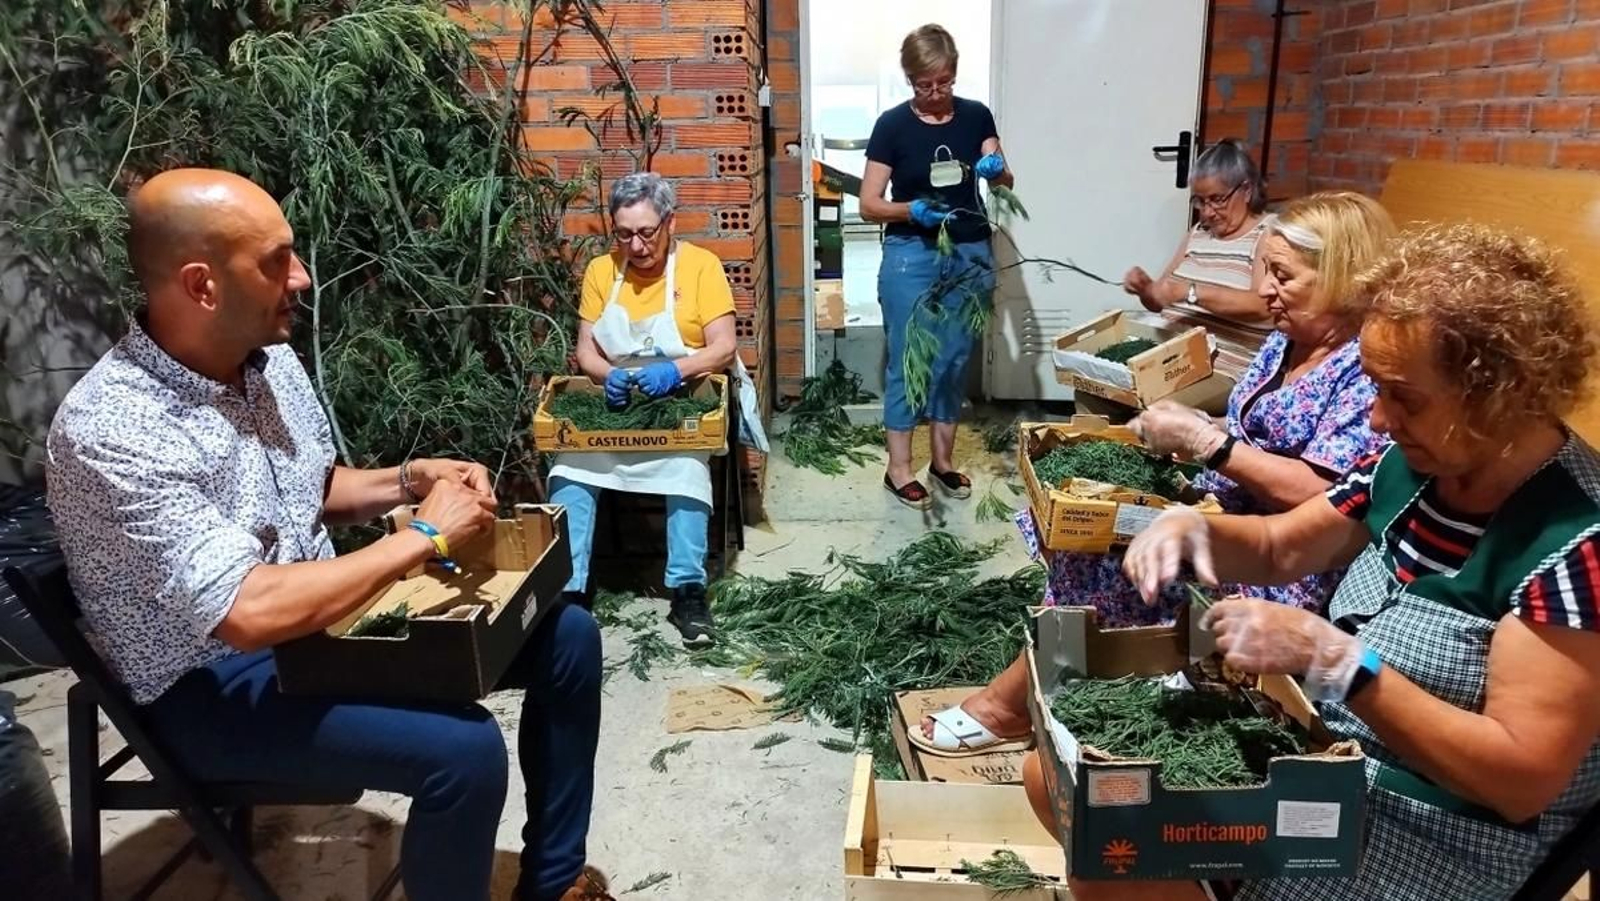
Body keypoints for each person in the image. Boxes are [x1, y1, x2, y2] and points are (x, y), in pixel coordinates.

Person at [45, 169, 607, 901]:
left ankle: (554, 882)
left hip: (316, 633)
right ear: (202, 284)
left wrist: (410, 478)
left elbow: (311, 486)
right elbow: (246, 614)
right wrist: (425, 535)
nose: (302, 277)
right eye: (276, 260)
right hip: (206, 687)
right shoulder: (113, 428)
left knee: (568, 639)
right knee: (463, 752)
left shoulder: (266, 360)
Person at [1046, 223, 1600, 901]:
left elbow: (1518, 780)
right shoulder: (1414, 462)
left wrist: (1333, 660)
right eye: (1375, 387)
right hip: (1332, 759)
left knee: (1118, 847)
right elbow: (1283, 547)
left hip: (1437, 828)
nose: (1375, 419)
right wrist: (1191, 528)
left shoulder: (1575, 545)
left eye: (1405, 396)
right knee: (1063, 782)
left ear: (1500, 393)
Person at [914, 192, 1394, 757]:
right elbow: (1249, 427)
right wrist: (1194, 425)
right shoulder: (1287, 341)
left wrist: (1208, 446)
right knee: (1082, 528)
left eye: (1283, 277)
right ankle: (1071, 677)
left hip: (1285, 555)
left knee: (1114, 559)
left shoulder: (1365, 370)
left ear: (1344, 278)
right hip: (1220, 509)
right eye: (1265, 270)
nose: (1264, 290)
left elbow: (1328, 496)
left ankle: (1009, 706)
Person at [548, 171, 766, 649]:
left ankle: (688, 591)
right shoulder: (603, 272)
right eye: (624, 234)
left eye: (647, 232)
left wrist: (675, 371)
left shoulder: (700, 267)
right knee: (568, 469)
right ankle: (570, 592)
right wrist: (610, 378)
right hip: (621, 402)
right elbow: (585, 352)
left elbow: (723, 348)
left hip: (683, 397)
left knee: (685, 468)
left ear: (670, 223)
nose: (637, 246)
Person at [860, 23, 1015, 510]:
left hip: (969, 251)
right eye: (923, 85)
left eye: (943, 82)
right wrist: (910, 210)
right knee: (913, 358)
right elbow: (868, 203)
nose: (934, 94)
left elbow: (1006, 178)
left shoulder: (975, 117)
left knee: (951, 360)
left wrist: (996, 170)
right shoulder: (892, 126)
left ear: (954, 73)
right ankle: (898, 469)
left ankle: (942, 463)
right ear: (909, 80)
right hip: (913, 254)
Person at [1123, 139, 1275, 393]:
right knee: (1096, 392)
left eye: (1217, 199)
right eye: (1200, 201)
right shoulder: (1198, 233)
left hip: (1224, 368)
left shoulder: (1268, 233)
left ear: (1246, 190)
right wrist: (1146, 289)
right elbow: (1159, 301)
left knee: (1154, 400)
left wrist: (1190, 292)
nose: (1207, 212)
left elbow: (1264, 307)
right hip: (1170, 357)